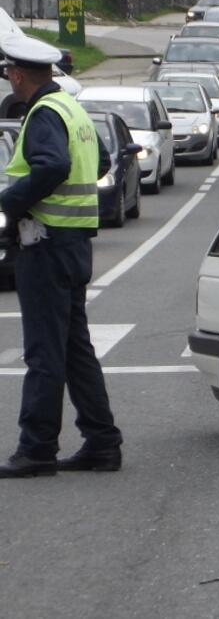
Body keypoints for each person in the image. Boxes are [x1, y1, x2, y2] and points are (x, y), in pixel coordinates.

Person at [0, 33, 122, 478]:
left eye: (9, 74)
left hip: (46, 245)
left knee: (44, 354)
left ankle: (37, 449)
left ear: (17, 74)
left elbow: (51, 166)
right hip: (74, 245)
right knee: (75, 351)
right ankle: (101, 442)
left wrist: (11, 201)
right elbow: (104, 161)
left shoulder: (44, 113)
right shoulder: (73, 110)